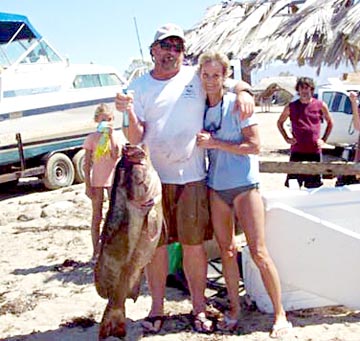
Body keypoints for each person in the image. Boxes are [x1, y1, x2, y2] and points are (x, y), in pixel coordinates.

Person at [115, 23, 254, 334]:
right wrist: (128, 112)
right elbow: (134, 135)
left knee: (194, 246)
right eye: (165, 46)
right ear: (153, 51)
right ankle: (156, 309)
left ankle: (199, 308)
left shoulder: (195, 75)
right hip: (150, 182)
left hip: (192, 177)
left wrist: (244, 92)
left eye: (177, 46)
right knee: (156, 246)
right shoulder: (137, 88)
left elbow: (225, 79)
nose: (171, 52)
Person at [196, 51, 292, 338]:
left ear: (225, 77)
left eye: (216, 75)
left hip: (244, 185)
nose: (211, 80)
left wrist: (215, 142)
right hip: (216, 187)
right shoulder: (199, 107)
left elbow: (254, 146)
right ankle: (235, 309)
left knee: (259, 251)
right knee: (226, 252)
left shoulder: (238, 104)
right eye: (206, 75)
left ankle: (280, 314)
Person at [277, 77, 334, 189]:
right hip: (297, 151)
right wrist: (286, 138)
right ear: (298, 90)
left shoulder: (321, 105)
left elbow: (330, 123)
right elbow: (280, 123)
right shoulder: (291, 106)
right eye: (301, 88)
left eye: (307, 88)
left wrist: (323, 140)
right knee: (293, 185)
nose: (304, 91)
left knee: (313, 187)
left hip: (314, 152)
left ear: (311, 89)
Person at [83, 103, 121, 260]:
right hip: (97, 180)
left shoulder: (115, 136)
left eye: (110, 119)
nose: (107, 122)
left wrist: (111, 136)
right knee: (96, 215)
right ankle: (95, 250)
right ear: (97, 120)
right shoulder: (91, 138)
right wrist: (87, 184)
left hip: (113, 179)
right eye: (104, 119)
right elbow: (87, 164)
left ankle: (113, 248)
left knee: (114, 215)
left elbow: (116, 155)